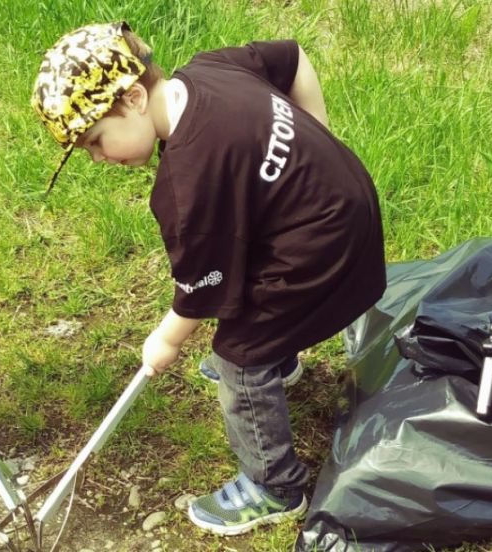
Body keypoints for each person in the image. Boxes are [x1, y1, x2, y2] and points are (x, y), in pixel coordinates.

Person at [30, 22, 386, 536]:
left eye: (96, 142)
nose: (100, 158)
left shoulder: (188, 180)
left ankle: (273, 485)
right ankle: (280, 355)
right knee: (255, 304)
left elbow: (203, 289)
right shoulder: (208, 71)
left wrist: (163, 341)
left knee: (237, 357)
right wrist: (319, 140)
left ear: (132, 98)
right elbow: (294, 57)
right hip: (345, 200)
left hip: (324, 248)